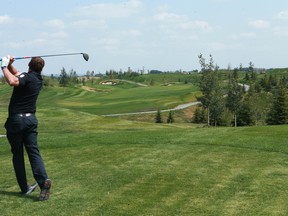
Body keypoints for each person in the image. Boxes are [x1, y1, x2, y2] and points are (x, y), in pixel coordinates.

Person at [1, 55, 51, 201]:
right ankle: (43, 182)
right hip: (31, 120)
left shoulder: (27, 78)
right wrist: (10, 64)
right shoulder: (37, 79)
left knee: (17, 155)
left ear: (29, 64)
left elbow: (12, 80)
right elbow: (18, 75)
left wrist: (3, 66)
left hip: (17, 121)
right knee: (33, 152)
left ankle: (25, 187)